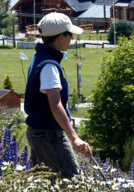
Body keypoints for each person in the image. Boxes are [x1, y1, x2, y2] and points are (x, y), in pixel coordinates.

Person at [24, 12, 92, 178]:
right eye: (70, 35)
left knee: (45, 183)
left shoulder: (39, 56)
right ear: (61, 37)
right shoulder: (49, 66)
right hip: (48, 135)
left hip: (37, 133)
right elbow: (55, 105)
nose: (72, 39)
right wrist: (75, 138)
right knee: (73, 181)